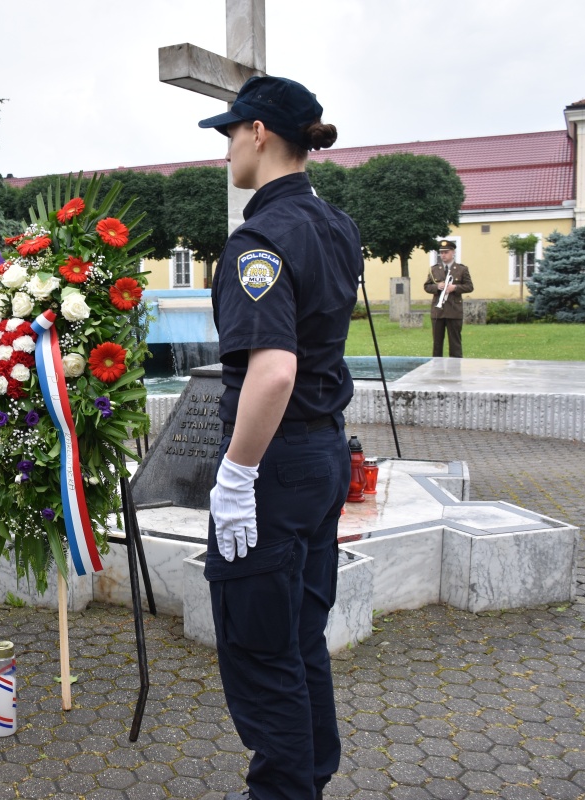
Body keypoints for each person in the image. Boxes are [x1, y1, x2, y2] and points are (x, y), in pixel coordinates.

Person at [198, 75, 362, 800]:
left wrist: (237, 475)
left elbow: (272, 372)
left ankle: (285, 792)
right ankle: (307, 779)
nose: (226, 148)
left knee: (260, 647)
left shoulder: (259, 240)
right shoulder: (336, 225)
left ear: (259, 133)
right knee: (299, 637)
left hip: (275, 463)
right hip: (322, 452)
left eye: (231, 133)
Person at [423, 240, 474, 358]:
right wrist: (437, 287)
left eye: (446, 252)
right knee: (437, 343)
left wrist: (455, 287)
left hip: (454, 310)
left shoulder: (461, 269)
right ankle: (436, 366)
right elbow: (427, 286)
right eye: (441, 253)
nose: (443, 255)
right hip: (438, 311)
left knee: (455, 343)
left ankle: (456, 366)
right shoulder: (434, 269)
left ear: (453, 252)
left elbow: (469, 286)